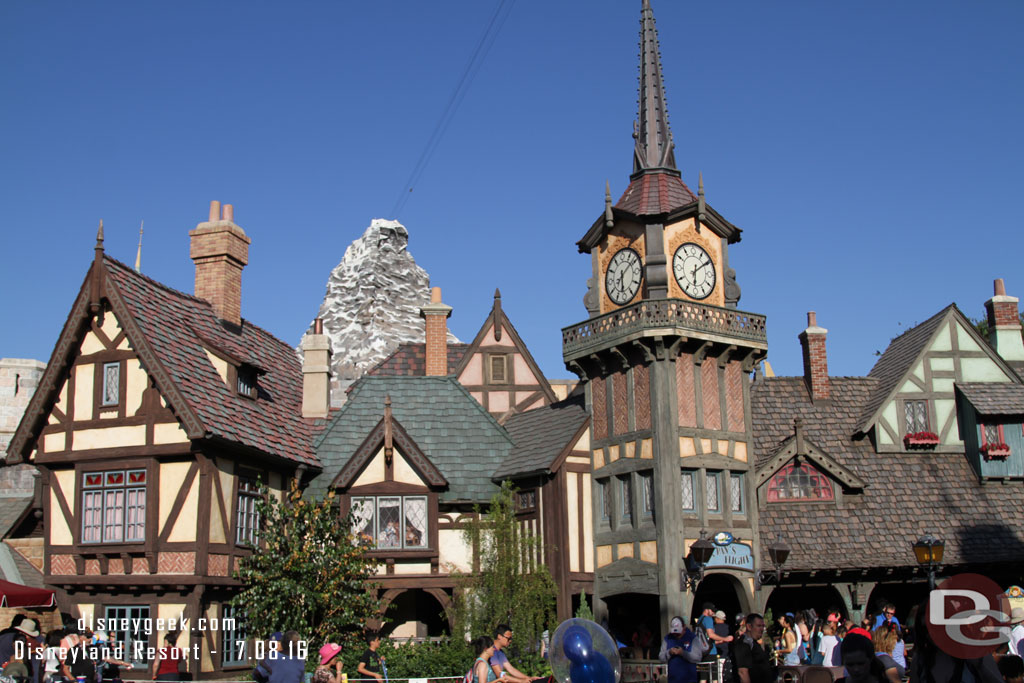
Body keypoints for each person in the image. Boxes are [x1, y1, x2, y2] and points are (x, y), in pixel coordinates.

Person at [908, 602, 1002, 683]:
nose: (931, 633)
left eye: (936, 626)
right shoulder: (920, 660)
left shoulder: (976, 655)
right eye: (925, 628)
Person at [731, 613, 773, 683]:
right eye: (759, 626)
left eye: (763, 626)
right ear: (749, 626)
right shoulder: (743, 644)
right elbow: (742, 672)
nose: (762, 629)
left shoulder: (753, 643)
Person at [659, 617, 696, 683]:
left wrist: (682, 653)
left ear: (684, 627)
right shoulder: (667, 638)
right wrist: (669, 652)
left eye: (678, 631)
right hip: (673, 679)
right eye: (674, 631)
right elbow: (661, 657)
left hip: (689, 679)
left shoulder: (693, 638)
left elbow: (697, 657)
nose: (676, 634)